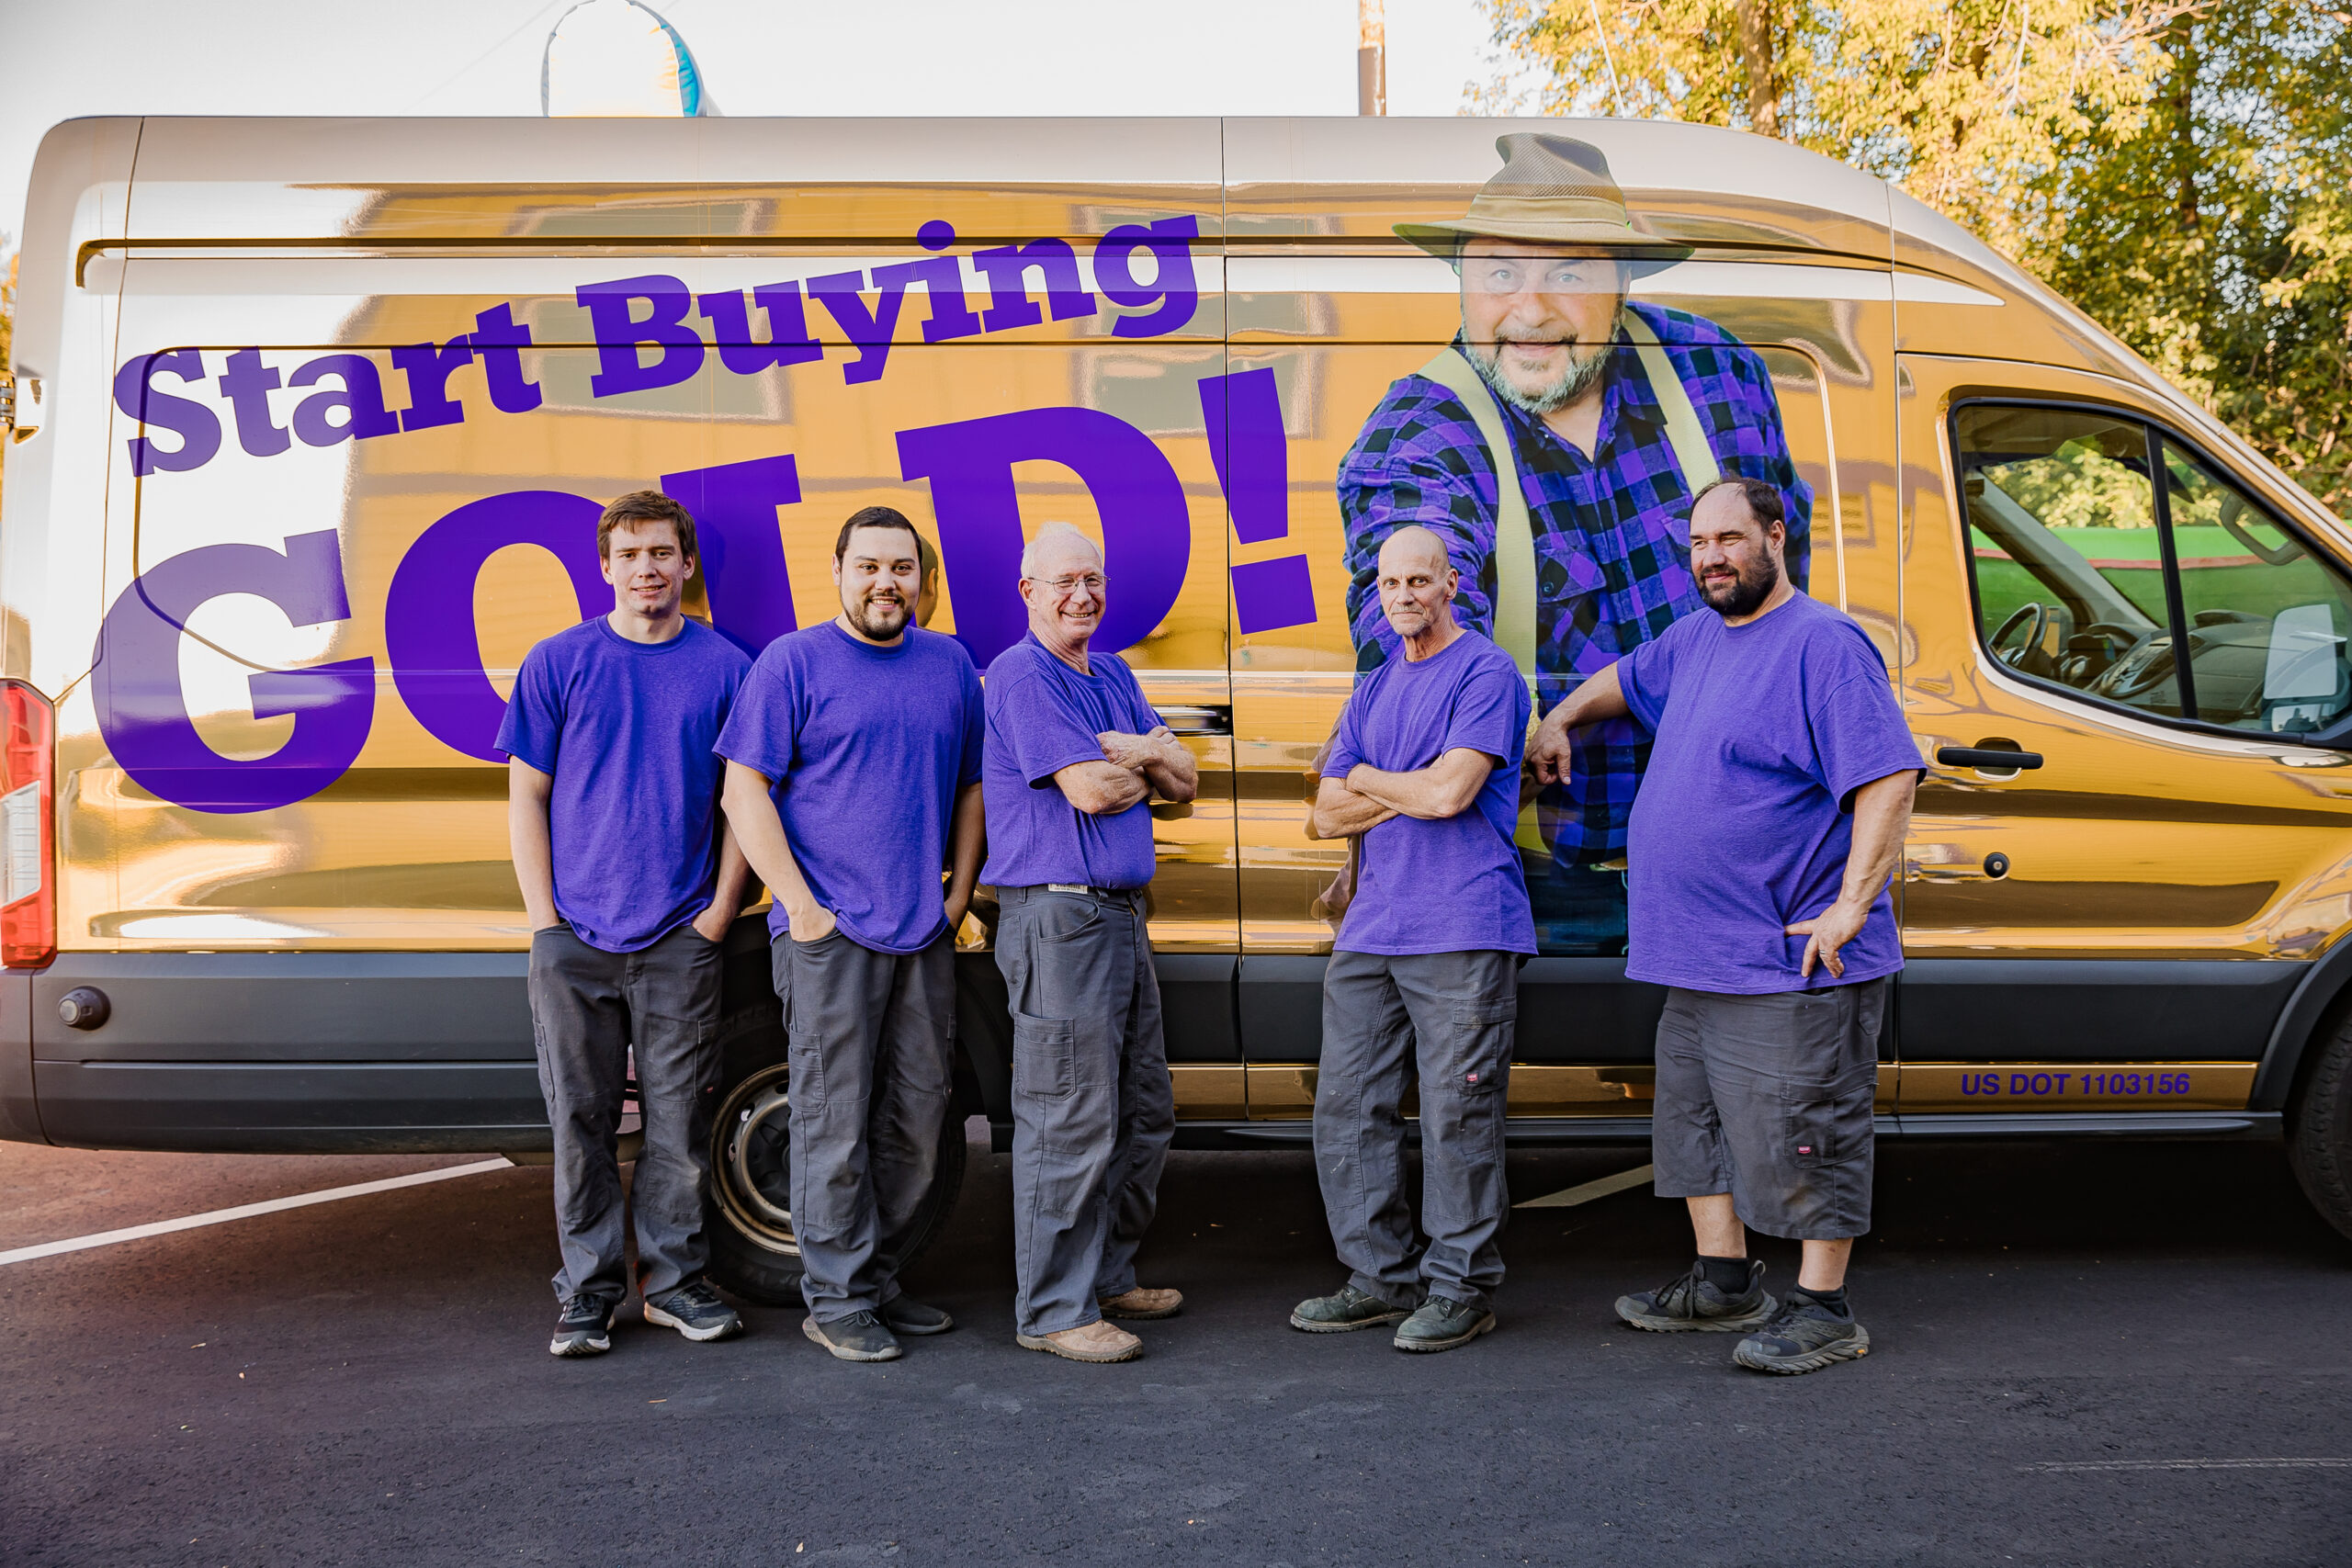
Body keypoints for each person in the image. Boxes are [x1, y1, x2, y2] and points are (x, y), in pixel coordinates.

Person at [1340, 131, 1812, 951]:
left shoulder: (1718, 374)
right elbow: (1409, 631)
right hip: (1539, 890)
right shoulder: (1420, 432)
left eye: (1568, 272)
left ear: (1622, 279)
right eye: (1499, 273)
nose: (1529, 310)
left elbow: (1790, 598)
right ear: (1460, 279)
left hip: (1742, 863)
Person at [1529, 478, 1920, 1374]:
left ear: (1775, 538)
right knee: (1695, 1128)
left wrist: (1852, 905)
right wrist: (1558, 715)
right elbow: (1623, 680)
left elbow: (1888, 779)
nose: (1711, 556)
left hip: (1783, 954)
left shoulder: (1822, 645)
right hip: (1694, 953)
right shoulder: (1696, 640)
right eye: (1700, 541)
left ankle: (1823, 1308)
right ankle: (1723, 1279)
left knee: (1806, 1130)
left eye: (1731, 539)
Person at [716, 506, 986, 1363]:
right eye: (868, 566)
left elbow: (974, 789)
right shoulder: (791, 664)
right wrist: (800, 905)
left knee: (918, 1119)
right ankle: (834, 1299)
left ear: (921, 579)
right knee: (832, 1121)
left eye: (902, 568)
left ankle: (876, 1280)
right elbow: (743, 791)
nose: (885, 583)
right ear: (837, 572)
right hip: (829, 937)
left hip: (921, 935)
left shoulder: (947, 665)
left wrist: (959, 895)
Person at [501, 489, 754, 1358]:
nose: (646, 568)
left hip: (681, 937)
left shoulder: (728, 669)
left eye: (661, 553)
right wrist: (545, 922)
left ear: (686, 564)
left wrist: (720, 912)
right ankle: (588, 1292)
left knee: (679, 1124)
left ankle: (676, 1287)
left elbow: (743, 804)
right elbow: (526, 794)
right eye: (629, 554)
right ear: (605, 567)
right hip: (574, 939)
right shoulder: (559, 661)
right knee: (581, 1120)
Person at [1290, 525, 1534, 1353]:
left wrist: (1364, 776)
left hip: (1463, 921)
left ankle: (1461, 1286)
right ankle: (1379, 1277)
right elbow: (1326, 814)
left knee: (1457, 1111)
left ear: (1451, 583)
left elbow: (1450, 795)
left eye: (1419, 580)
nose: (1403, 595)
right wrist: (1397, 783)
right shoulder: (1376, 682)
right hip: (1373, 926)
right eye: (1390, 583)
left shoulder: (1487, 673)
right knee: (1347, 1107)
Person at [979, 521, 1197, 1363]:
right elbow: (1094, 791)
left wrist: (1141, 749)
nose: (1083, 595)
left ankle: (1107, 1272)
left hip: (1119, 913)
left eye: (1093, 580)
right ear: (1028, 590)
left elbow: (1185, 779)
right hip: (1057, 918)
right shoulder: (1019, 674)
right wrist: (1150, 760)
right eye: (1064, 581)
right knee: (1067, 1118)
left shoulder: (1110, 674)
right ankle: (1053, 1310)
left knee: (1143, 1108)